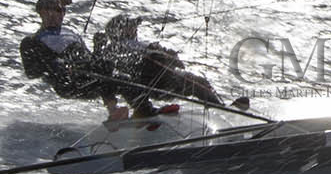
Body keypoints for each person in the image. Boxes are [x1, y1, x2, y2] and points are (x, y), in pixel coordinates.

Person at [93, 13, 246, 116]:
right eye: (130, 26)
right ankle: (145, 111)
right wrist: (153, 54)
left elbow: (173, 62)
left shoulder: (140, 43)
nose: (135, 28)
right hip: (149, 82)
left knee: (199, 81)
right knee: (192, 82)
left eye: (134, 25)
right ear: (119, 30)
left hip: (166, 79)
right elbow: (112, 65)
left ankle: (220, 108)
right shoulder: (114, 47)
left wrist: (170, 55)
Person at [20, 0, 128, 119]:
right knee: (103, 70)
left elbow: (90, 59)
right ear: (42, 12)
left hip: (89, 73)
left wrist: (98, 47)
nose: (57, 14)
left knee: (124, 74)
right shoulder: (32, 40)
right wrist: (56, 65)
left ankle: (142, 109)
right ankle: (113, 111)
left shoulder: (70, 33)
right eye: (53, 10)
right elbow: (31, 72)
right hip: (69, 83)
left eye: (61, 10)